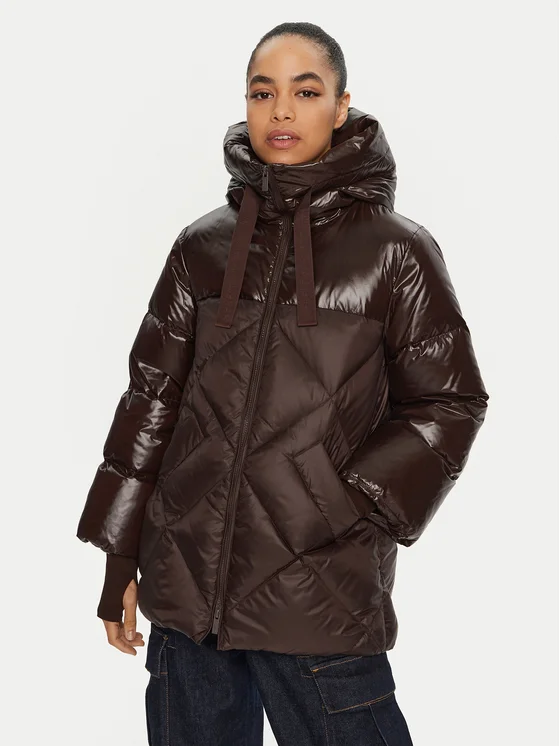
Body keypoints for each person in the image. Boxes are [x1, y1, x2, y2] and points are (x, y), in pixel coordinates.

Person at [76, 21, 489, 746]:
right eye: (263, 93)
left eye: (306, 91)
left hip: (317, 592)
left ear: (342, 105)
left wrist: (344, 501)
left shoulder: (396, 252)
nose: (282, 111)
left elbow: (450, 403)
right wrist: (121, 553)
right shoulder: (202, 247)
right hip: (187, 601)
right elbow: (151, 399)